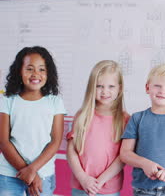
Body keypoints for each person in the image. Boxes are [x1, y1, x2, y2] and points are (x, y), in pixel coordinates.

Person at [0, 46, 66, 196]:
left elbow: (55, 141)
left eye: (42, 69)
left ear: (48, 73)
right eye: (29, 69)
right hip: (9, 174)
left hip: (43, 174)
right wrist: (29, 172)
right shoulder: (8, 101)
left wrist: (33, 170)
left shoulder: (55, 102)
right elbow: (4, 141)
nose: (36, 74)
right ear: (19, 71)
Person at [120, 64, 165, 196]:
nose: (162, 91)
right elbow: (125, 153)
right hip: (142, 189)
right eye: (157, 86)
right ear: (147, 87)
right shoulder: (137, 118)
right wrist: (144, 164)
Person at [66, 60, 129, 196]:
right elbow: (71, 151)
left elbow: (122, 157)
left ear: (119, 88)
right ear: (91, 87)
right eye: (99, 86)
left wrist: (100, 182)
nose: (105, 91)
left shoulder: (125, 119)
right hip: (81, 186)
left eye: (111, 86)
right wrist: (83, 178)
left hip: (108, 189)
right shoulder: (82, 115)